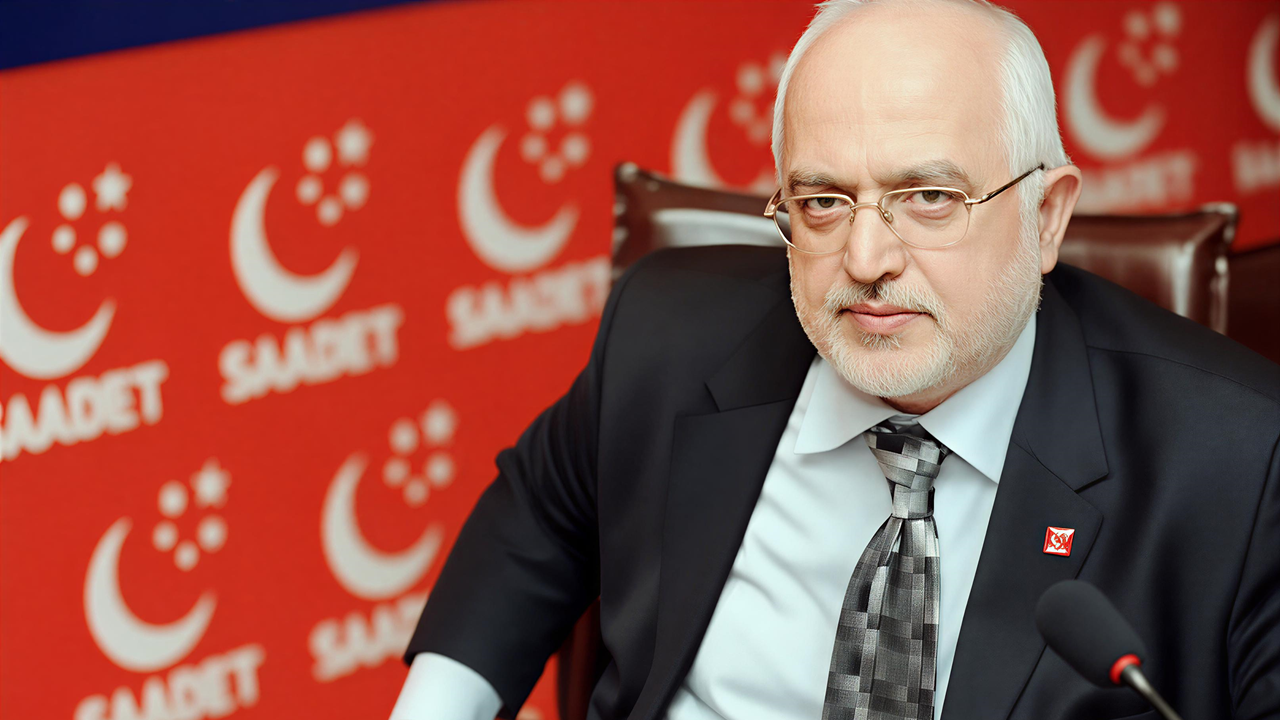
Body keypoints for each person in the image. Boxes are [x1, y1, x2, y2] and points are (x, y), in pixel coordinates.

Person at [391, 0, 1280, 718]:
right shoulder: (668, 338)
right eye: (822, 202)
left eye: (927, 198)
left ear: (1045, 217)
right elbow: (539, 515)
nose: (865, 258)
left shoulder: (1239, 462)